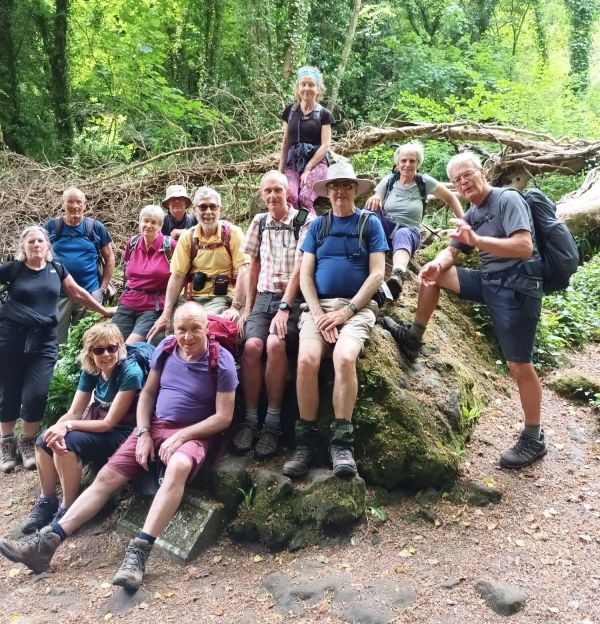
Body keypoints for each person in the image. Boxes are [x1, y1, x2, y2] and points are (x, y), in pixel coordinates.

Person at [0, 302, 238, 590]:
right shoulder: (166, 348)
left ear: (207, 328)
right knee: (106, 478)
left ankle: (139, 551)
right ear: (173, 329)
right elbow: (149, 394)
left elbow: (223, 416)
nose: (187, 337)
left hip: (194, 433)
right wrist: (145, 431)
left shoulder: (220, 359)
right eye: (181, 329)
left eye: (194, 329)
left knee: (179, 465)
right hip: (154, 425)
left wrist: (182, 436)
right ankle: (48, 541)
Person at [381, 152, 546, 469]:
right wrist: (436, 262)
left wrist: (479, 240)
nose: (462, 183)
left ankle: (534, 437)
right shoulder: (473, 212)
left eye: (466, 175)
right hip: (488, 281)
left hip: (517, 287)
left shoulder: (507, 199)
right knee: (434, 276)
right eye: (456, 180)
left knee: (519, 366)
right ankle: (414, 336)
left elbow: (524, 247)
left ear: (482, 172)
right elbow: (454, 250)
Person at [282, 162, 387, 479]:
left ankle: (342, 444)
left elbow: (378, 273)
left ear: (355, 189)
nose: (340, 191)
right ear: (327, 191)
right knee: (307, 360)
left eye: (346, 185)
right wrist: (317, 313)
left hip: (357, 307)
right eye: (334, 186)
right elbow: (305, 276)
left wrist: (347, 311)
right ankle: (305, 442)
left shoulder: (369, 224)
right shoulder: (317, 227)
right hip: (320, 308)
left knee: (343, 357)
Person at [0, 226, 113, 474]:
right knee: (8, 389)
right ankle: (7, 443)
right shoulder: (13, 269)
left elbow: (76, 292)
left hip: (44, 342)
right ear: (23, 247)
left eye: (40, 240)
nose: (36, 245)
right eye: (31, 241)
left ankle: (27, 442)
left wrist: (103, 311)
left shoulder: (56, 268)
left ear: (48, 246)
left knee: (36, 393)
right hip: (11, 339)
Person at [20, 322, 144, 533]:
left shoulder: (130, 373)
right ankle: (47, 500)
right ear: (90, 353)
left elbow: (109, 423)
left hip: (122, 432)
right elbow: (75, 412)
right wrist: (55, 429)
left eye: (111, 348)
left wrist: (67, 426)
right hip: (98, 424)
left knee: (66, 446)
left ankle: (68, 507)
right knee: (43, 442)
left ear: (119, 347)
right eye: (98, 350)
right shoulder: (92, 370)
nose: (106, 354)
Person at [232, 171, 315, 459]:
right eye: (266, 191)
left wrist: (285, 307)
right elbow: (252, 265)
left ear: (287, 191)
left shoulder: (304, 221)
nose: (272, 196)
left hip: (292, 299)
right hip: (263, 298)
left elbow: (301, 269)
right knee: (252, 346)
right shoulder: (259, 222)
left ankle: (273, 422)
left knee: (275, 344)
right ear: (260, 193)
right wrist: (246, 306)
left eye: (277, 190)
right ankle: (251, 419)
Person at [365, 142, 464, 300]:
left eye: (412, 161)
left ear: (418, 163)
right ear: (397, 163)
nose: (407, 165)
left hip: (408, 231)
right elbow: (378, 197)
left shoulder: (424, 182)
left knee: (404, 233)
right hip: (385, 229)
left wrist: (463, 223)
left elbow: (450, 197)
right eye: (403, 161)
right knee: (368, 210)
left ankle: (397, 275)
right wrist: (376, 197)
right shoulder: (389, 180)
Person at [148, 187, 249, 340]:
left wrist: (235, 307)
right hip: (190, 298)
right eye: (202, 207)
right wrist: (166, 314)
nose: (208, 212)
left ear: (220, 209)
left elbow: (244, 271)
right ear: (195, 210)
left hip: (221, 298)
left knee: (203, 332)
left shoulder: (233, 234)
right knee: (159, 336)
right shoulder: (188, 238)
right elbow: (177, 276)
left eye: (212, 207)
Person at [44, 187, 115, 345]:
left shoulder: (95, 228)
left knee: (87, 342)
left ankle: (84, 370)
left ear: (85, 205)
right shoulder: (51, 227)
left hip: (89, 295)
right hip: (58, 295)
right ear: (63, 204)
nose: (74, 206)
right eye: (70, 202)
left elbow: (109, 259)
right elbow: (39, 258)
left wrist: (102, 290)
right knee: (55, 343)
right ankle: (58, 369)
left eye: (78, 202)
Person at [113, 205, 177, 344]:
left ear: (160, 226)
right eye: (145, 221)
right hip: (128, 301)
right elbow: (126, 268)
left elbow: (181, 275)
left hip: (153, 305)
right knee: (112, 343)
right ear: (140, 222)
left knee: (129, 346)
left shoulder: (170, 246)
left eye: (153, 222)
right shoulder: (133, 242)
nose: (148, 225)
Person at [279, 66, 334, 215]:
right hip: (294, 163)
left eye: (311, 85)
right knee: (290, 195)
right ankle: (296, 232)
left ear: (318, 89)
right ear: (298, 88)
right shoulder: (289, 112)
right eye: (303, 84)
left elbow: (326, 145)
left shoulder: (324, 114)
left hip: (317, 163)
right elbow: (285, 143)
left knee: (304, 197)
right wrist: (280, 172)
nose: (307, 88)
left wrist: (309, 168)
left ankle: (309, 231)